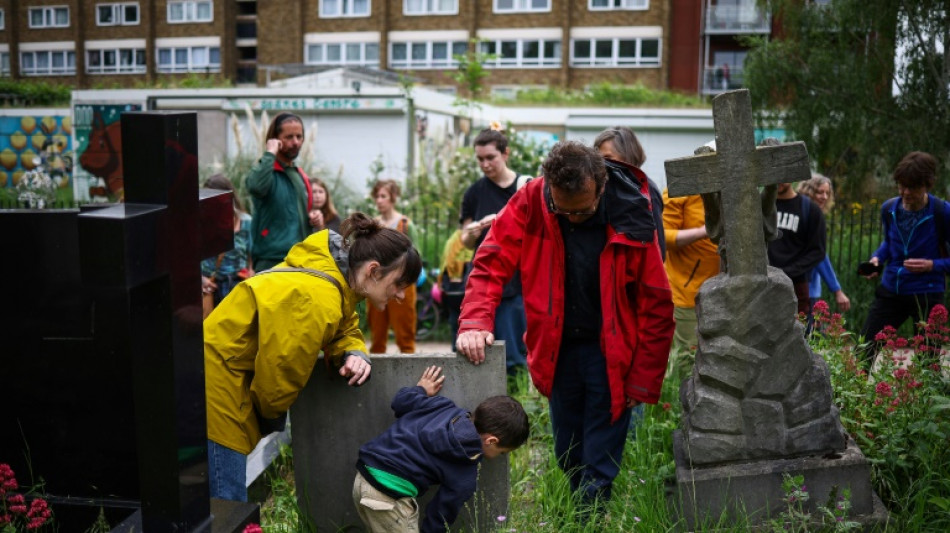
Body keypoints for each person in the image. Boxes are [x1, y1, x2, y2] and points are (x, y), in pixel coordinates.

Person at [456, 141, 674, 511]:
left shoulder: (631, 212)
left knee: (600, 455)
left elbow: (656, 303)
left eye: (583, 210)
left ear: (600, 186)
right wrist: (475, 319)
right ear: (549, 188)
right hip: (557, 348)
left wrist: (643, 379)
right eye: (562, 209)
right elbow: (491, 260)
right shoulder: (532, 200)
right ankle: (576, 510)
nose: (572, 217)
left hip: (613, 352)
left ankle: (589, 517)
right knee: (567, 448)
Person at [204, 212, 422, 501]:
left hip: (220, 371)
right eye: (398, 284)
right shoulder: (317, 299)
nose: (401, 296)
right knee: (225, 503)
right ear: (373, 270)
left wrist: (353, 351)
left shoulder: (333, 277)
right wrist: (269, 418)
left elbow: (344, 324)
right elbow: (278, 379)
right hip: (218, 384)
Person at [353, 366, 529, 533]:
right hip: (389, 498)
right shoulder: (466, 469)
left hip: (363, 478)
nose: (500, 456)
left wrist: (420, 390)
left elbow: (400, 402)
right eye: (502, 452)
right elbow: (441, 514)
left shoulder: (442, 406)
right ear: (491, 441)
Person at [859, 151, 950, 366]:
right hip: (892, 289)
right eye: (901, 186)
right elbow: (889, 244)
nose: (905, 192)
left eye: (912, 187)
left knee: (928, 362)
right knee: (863, 350)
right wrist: (876, 260)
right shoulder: (889, 208)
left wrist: (932, 265)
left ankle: (926, 400)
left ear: (927, 185)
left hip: (927, 294)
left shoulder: (942, 212)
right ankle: (853, 398)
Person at [459, 128, 529, 375]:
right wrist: (475, 230)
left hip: (516, 284)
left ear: (505, 153)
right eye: (480, 159)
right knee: (479, 352)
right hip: (483, 280)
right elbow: (465, 241)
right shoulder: (474, 192)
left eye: (491, 157)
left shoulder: (525, 188)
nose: (485, 164)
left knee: (515, 358)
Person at [765, 137, 826, 318]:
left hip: (796, 285)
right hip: (763, 283)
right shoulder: (760, 207)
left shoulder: (810, 209)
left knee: (795, 337)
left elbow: (818, 251)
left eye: (783, 175)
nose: (779, 181)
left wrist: (787, 273)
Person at [247, 112, 315, 271]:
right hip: (271, 260)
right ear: (275, 139)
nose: (295, 142)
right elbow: (256, 187)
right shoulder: (264, 171)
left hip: (299, 259)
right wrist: (270, 153)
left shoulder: (298, 173)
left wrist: (314, 219)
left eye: (299, 136)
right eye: (289, 137)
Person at [661, 189, 719, 373]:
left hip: (726, 293)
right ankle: (682, 400)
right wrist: (703, 232)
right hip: (688, 294)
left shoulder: (732, 187)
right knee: (687, 361)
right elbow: (662, 236)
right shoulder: (679, 190)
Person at [593, 126, 666, 259]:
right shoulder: (602, 189)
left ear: (628, 156)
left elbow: (658, 248)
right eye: (598, 159)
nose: (602, 164)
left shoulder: (648, 191)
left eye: (608, 157)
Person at [368, 179, 417, 354]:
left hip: (401, 284)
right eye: (377, 196)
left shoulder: (405, 224)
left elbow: (415, 257)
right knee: (377, 335)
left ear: (393, 198)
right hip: (377, 284)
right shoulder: (372, 225)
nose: (379, 200)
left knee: (405, 335)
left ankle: (412, 373)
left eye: (383, 196)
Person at [797, 175, 851, 315]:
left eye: (827, 193)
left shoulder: (810, 215)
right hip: (805, 287)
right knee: (808, 333)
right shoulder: (808, 217)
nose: (825, 197)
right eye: (820, 192)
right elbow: (820, 257)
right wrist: (837, 290)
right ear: (809, 192)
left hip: (809, 286)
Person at [201, 173, 254, 306]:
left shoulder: (246, 222)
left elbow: (251, 257)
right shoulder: (202, 223)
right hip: (211, 289)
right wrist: (200, 280)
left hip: (238, 288)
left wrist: (251, 273)